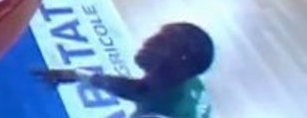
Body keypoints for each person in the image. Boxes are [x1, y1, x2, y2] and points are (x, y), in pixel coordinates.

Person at [34, 22, 214, 118]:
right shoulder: (179, 80)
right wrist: (79, 75)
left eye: (159, 42)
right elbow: (137, 90)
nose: (146, 41)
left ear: (175, 63)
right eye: (156, 35)